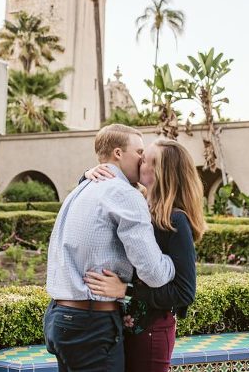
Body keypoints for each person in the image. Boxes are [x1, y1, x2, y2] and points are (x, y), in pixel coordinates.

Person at [44, 124, 175, 372]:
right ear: (117, 153)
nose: (143, 158)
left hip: (60, 318)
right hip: (91, 324)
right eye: (138, 152)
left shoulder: (81, 188)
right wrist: (172, 263)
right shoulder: (124, 194)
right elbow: (154, 274)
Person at [83, 139, 207, 372]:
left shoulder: (175, 219)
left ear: (163, 172)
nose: (140, 162)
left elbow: (185, 292)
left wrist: (125, 291)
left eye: (148, 160)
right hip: (124, 329)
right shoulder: (137, 205)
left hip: (151, 333)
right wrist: (89, 174)